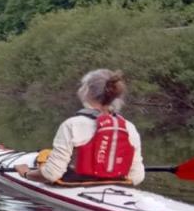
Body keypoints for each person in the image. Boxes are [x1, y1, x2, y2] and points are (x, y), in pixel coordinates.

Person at [14, 69, 145, 185]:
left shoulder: (72, 125)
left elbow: (51, 175)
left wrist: (26, 174)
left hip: (74, 182)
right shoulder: (129, 127)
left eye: (83, 85)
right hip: (113, 183)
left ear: (87, 91)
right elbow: (137, 177)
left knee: (46, 159)